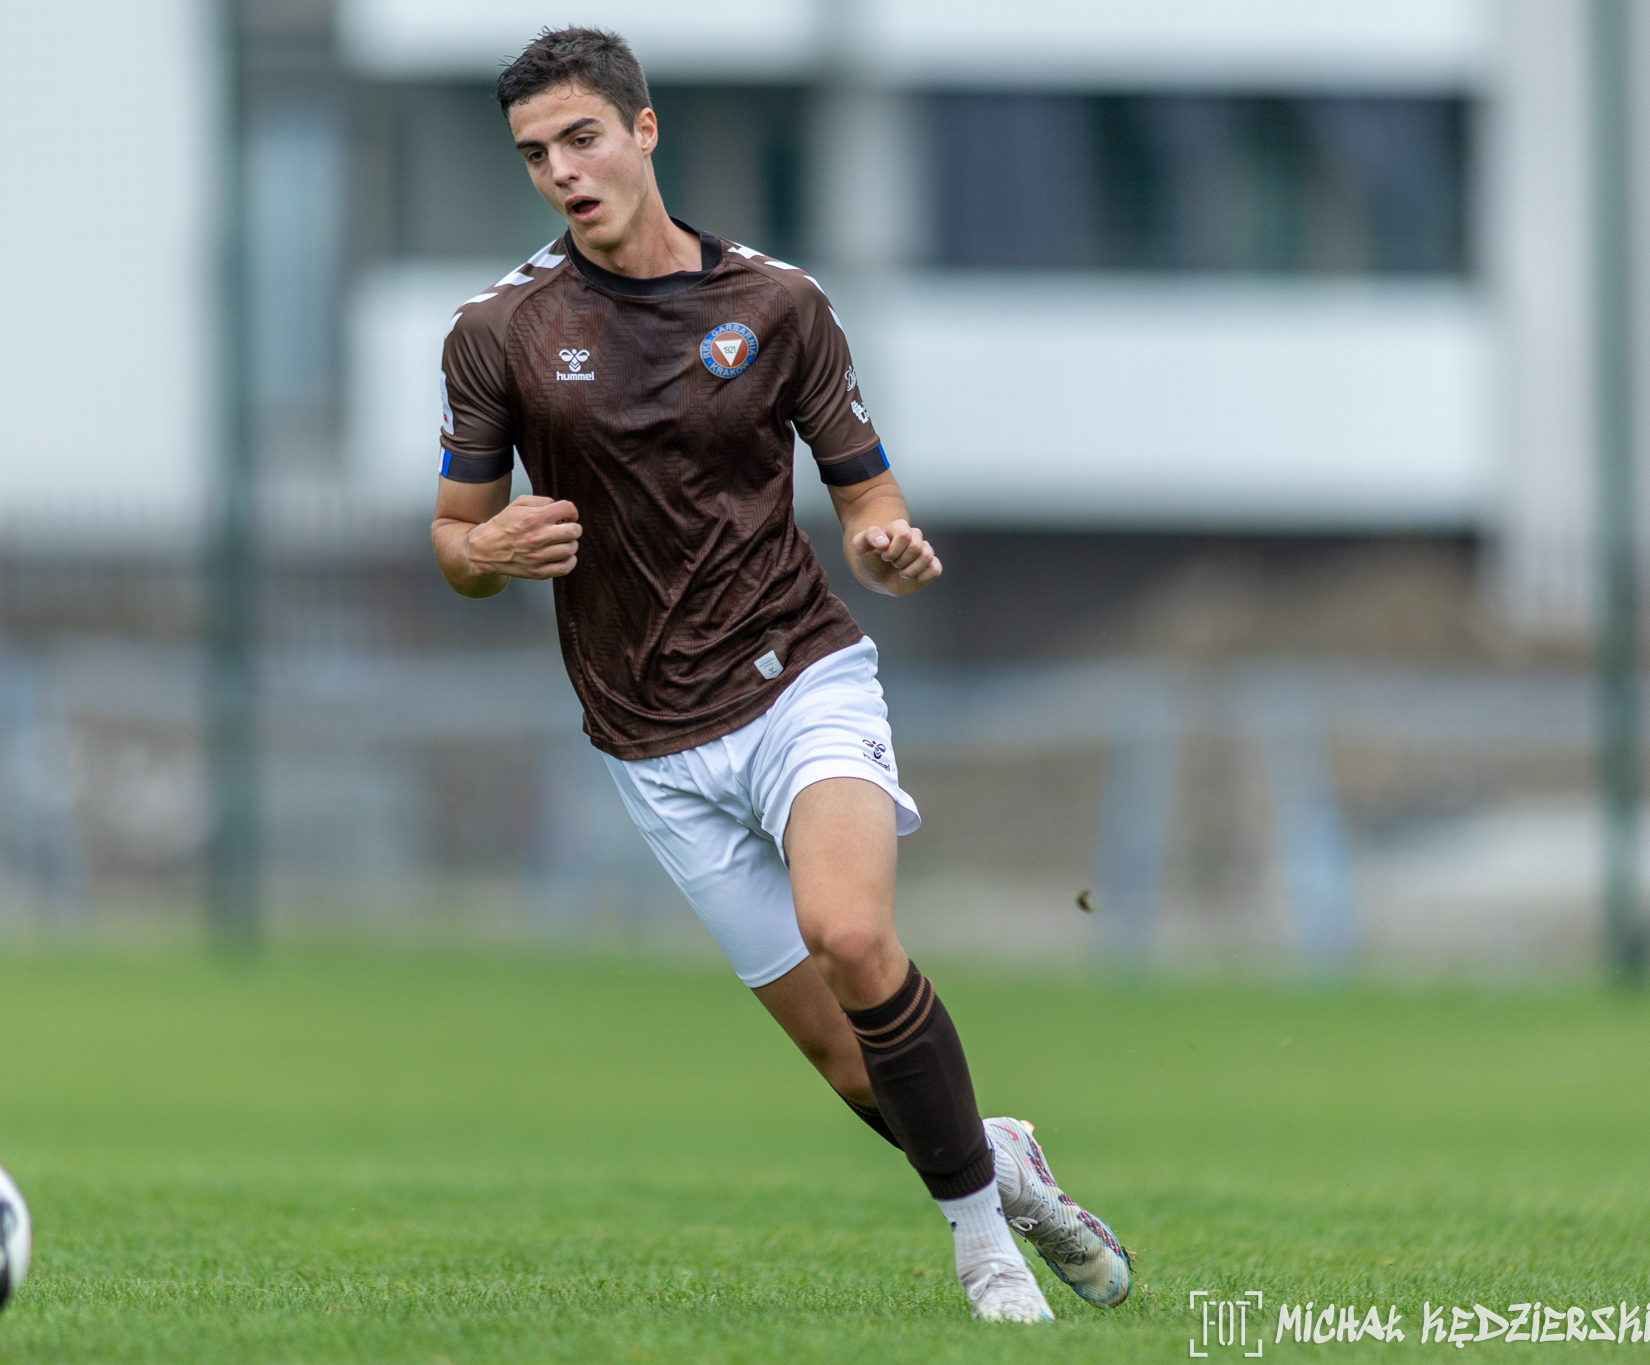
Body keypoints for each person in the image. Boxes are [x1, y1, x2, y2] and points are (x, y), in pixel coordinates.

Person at [428, 26, 1131, 1324]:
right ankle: (1005, 1165)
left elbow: (868, 497)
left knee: (850, 933)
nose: (562, 171)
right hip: (647, 740)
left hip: (798, 675)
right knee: (855, 1068)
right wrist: (489, 552)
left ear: (644, 130)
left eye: (582, 138)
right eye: (535, 154)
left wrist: (886, 545)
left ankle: (984, 1249)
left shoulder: (777, 306)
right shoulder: (499, 333)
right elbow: (455, 539)